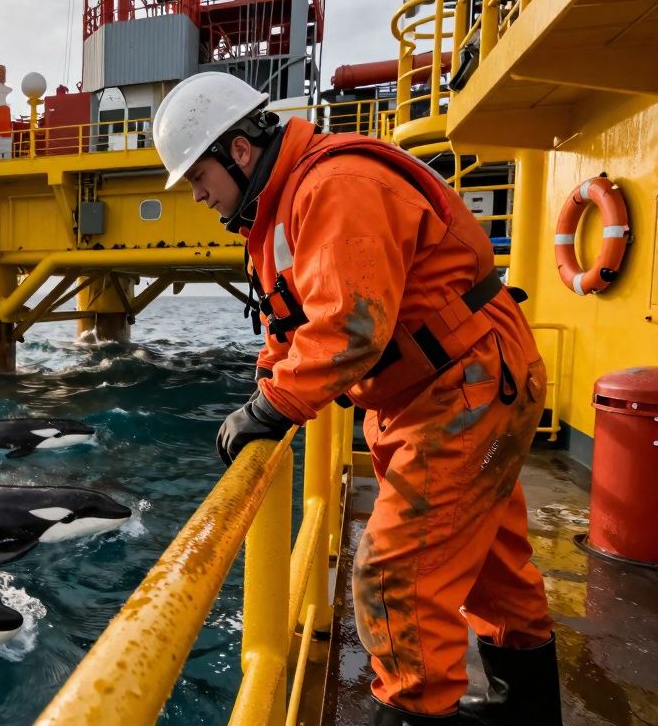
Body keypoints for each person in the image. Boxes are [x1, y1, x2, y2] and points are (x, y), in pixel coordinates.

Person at [152, 72, 561, 726]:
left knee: (395, 574)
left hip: (466, 391)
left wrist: (271, 407)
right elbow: (292, 325)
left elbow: (351, 327)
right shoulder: (286, 206)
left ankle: (416, 710)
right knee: (492, 566)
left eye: (199, 176)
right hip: (438, 392)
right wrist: (269, 386)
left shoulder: (334, 187)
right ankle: (528, 713)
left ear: (240, 151)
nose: (197, 194)